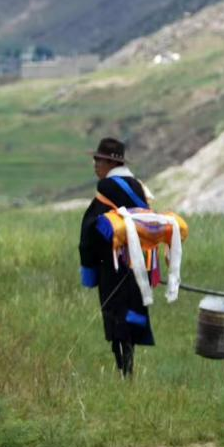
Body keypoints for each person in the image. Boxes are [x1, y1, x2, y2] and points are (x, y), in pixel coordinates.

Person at [78, 137, 157, 378]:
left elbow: (90, 231)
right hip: (137, 264)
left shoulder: (107, 188)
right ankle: (128, 369)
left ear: (110, 163)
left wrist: (88, 266)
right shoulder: (137, 186)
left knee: (115, 316)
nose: (95, 164)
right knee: (132, 313)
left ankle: (125, 371)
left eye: (98, 160)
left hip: (112, 265)